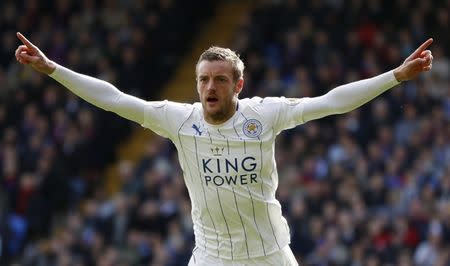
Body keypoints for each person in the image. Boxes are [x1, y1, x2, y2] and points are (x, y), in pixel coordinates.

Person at [15, 32, 433, 266]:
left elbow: (330, 101)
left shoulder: (263, 116)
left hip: (270, 254)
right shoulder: (179, 120)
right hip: (212, 257)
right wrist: (52, 69)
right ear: (196, 84)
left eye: (219, 79)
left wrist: (394, 76)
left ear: (238, 85)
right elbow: (115, 99)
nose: (210, 87)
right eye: (203, 80)